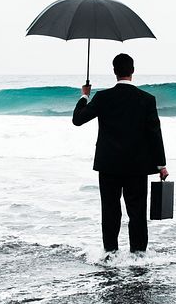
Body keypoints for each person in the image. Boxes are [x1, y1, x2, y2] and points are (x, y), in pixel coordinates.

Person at [72, 53, 168, 254]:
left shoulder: (103, 97)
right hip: (137, 166)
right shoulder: (147, 100)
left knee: (110, 210)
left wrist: (84, 95)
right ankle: (139, 255)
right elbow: (154, 134)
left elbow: (78, 119)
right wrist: (161, 165)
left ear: (114, 71)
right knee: (137, 212)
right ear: (133, 71)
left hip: (108, 165)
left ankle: (111, 253)